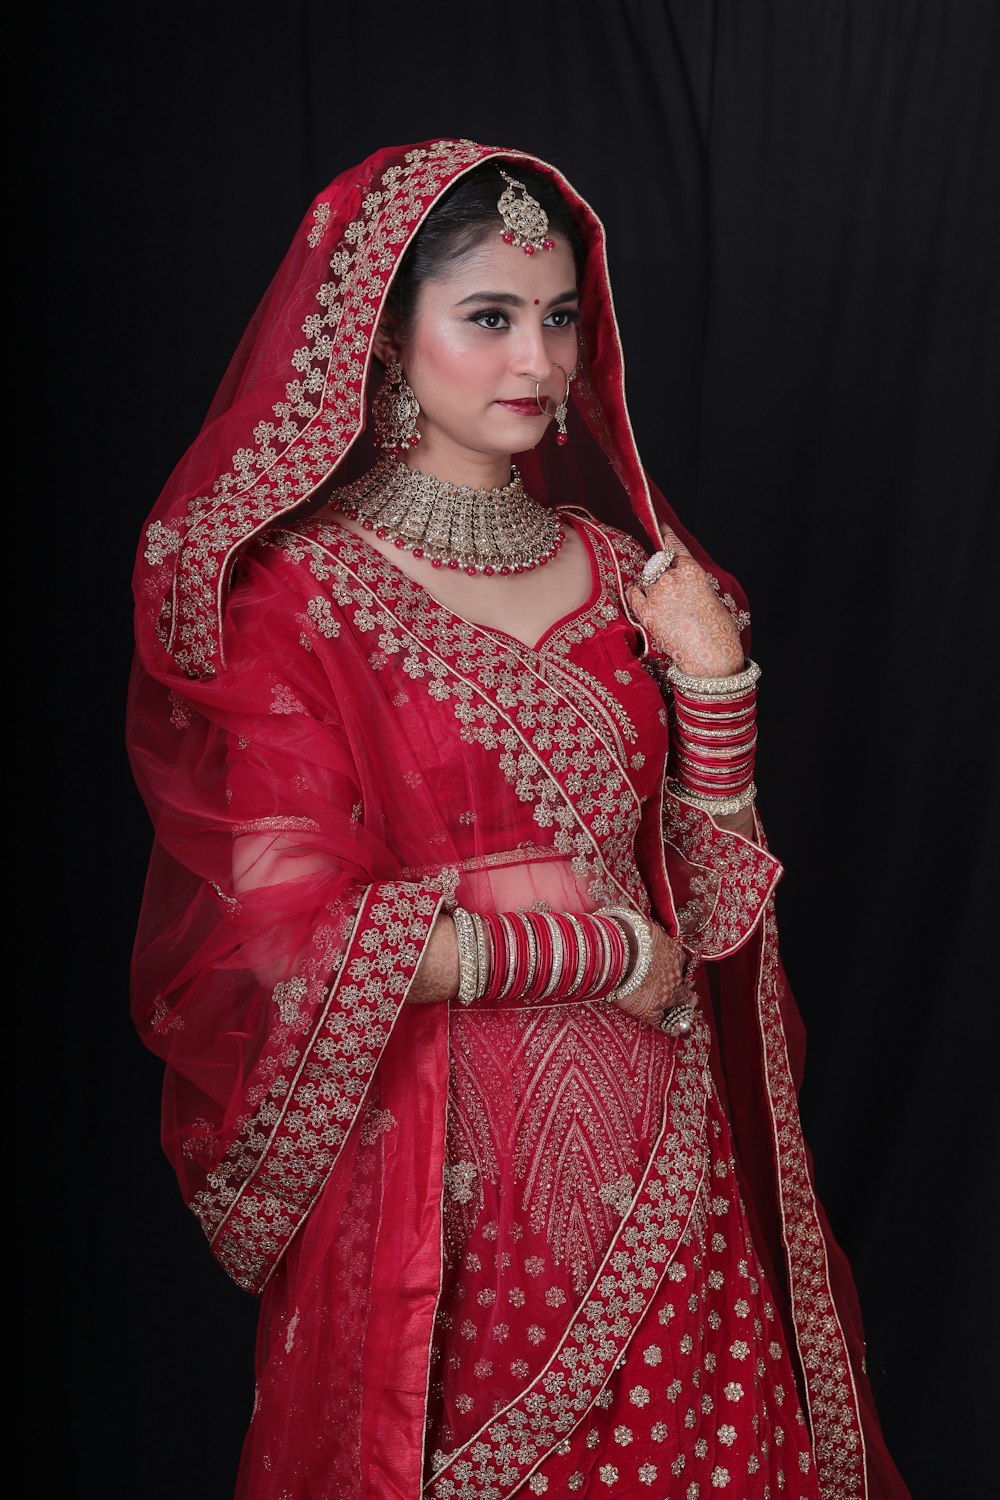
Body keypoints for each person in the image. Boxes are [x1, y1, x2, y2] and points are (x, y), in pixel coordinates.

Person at [128, 139, 908, 1499]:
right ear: (384, 342)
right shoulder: (298, 603)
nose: (537, 361)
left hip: (673, 1161)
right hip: (449, 1183)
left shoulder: (626, 576)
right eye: (487, 318)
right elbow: (279, 936)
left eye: (556, 317)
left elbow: (713, 906)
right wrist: (603, 957)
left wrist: (717, 689)